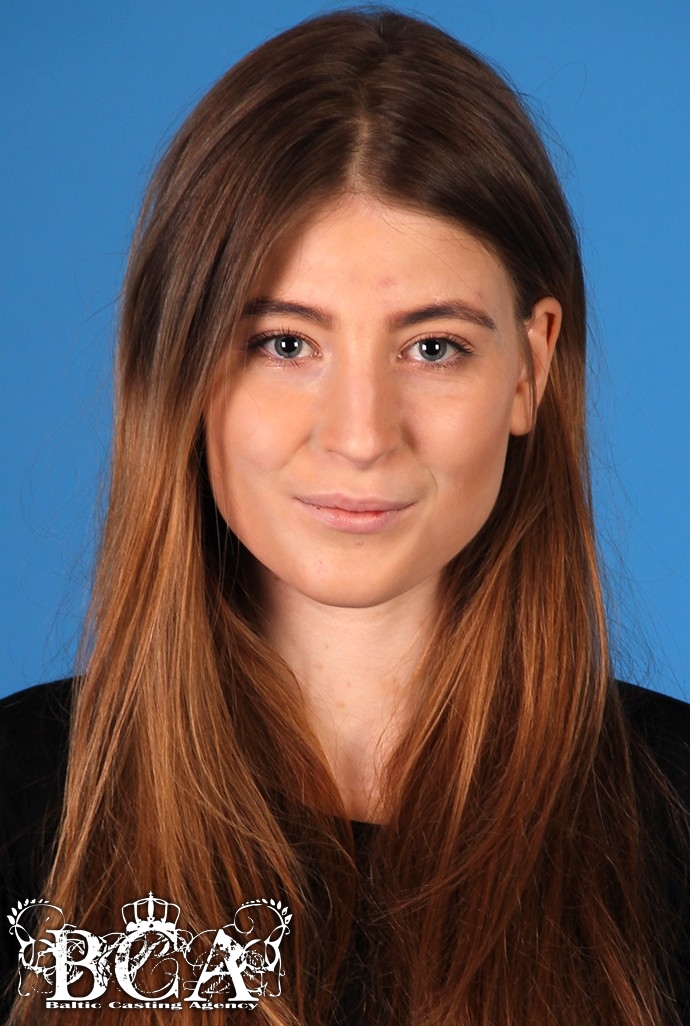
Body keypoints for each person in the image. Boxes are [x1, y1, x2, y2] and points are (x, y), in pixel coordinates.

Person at [1, 7, 689, 1025]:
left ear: (530, 367)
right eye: (285, 344)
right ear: (177, 362)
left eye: (433, 348)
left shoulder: (676, 816)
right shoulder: (19, 803)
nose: (361, 435)